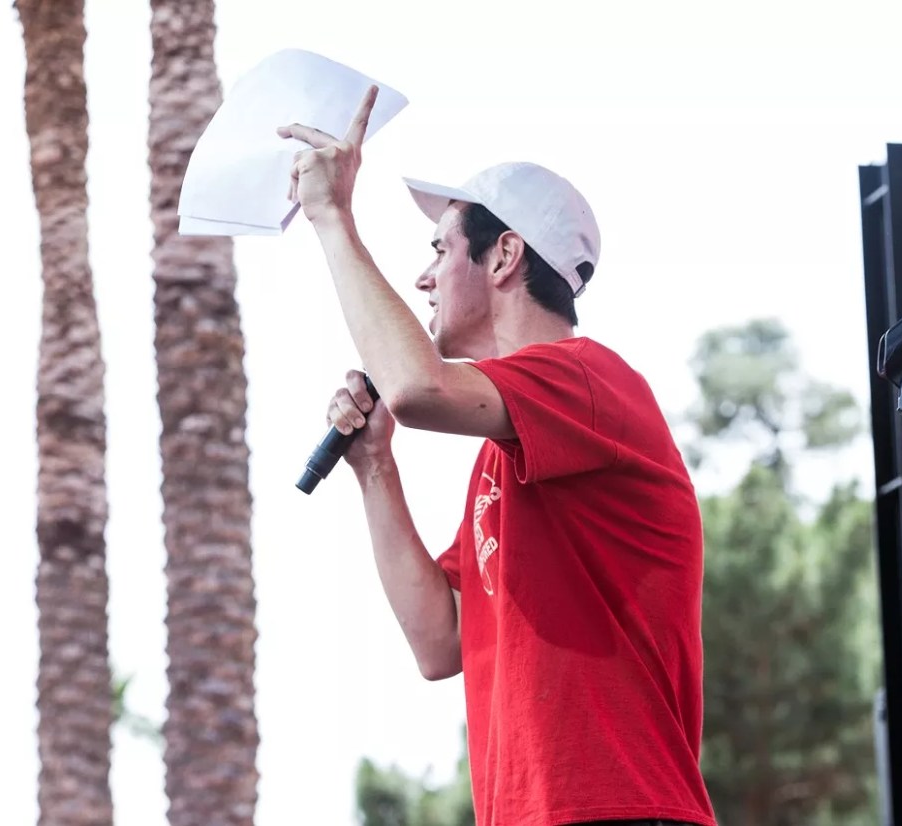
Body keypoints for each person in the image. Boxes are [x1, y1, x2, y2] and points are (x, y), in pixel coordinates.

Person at [280, 87, 716, 826]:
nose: (424, 277)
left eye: (439, 250)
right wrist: (375, 467)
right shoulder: (503, 456)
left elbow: (417, 388)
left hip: (617, 812)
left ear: (506, 255)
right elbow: (437, 640)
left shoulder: (590, 381)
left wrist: (331, 217)